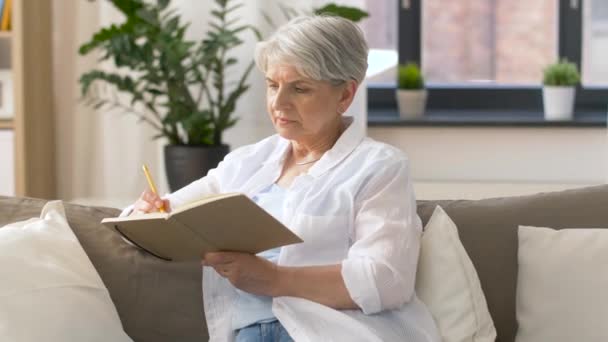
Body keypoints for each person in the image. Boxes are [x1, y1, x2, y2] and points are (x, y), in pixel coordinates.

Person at [127, 15, 440, 342]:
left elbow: (386, 280)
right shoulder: (245, 164)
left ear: (345, 95)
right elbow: (166, 216)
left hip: (332, 333)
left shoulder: (379, 167)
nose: (278, 103)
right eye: (273, 85)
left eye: (300, 88)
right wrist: (144, 211)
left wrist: (273, 279)